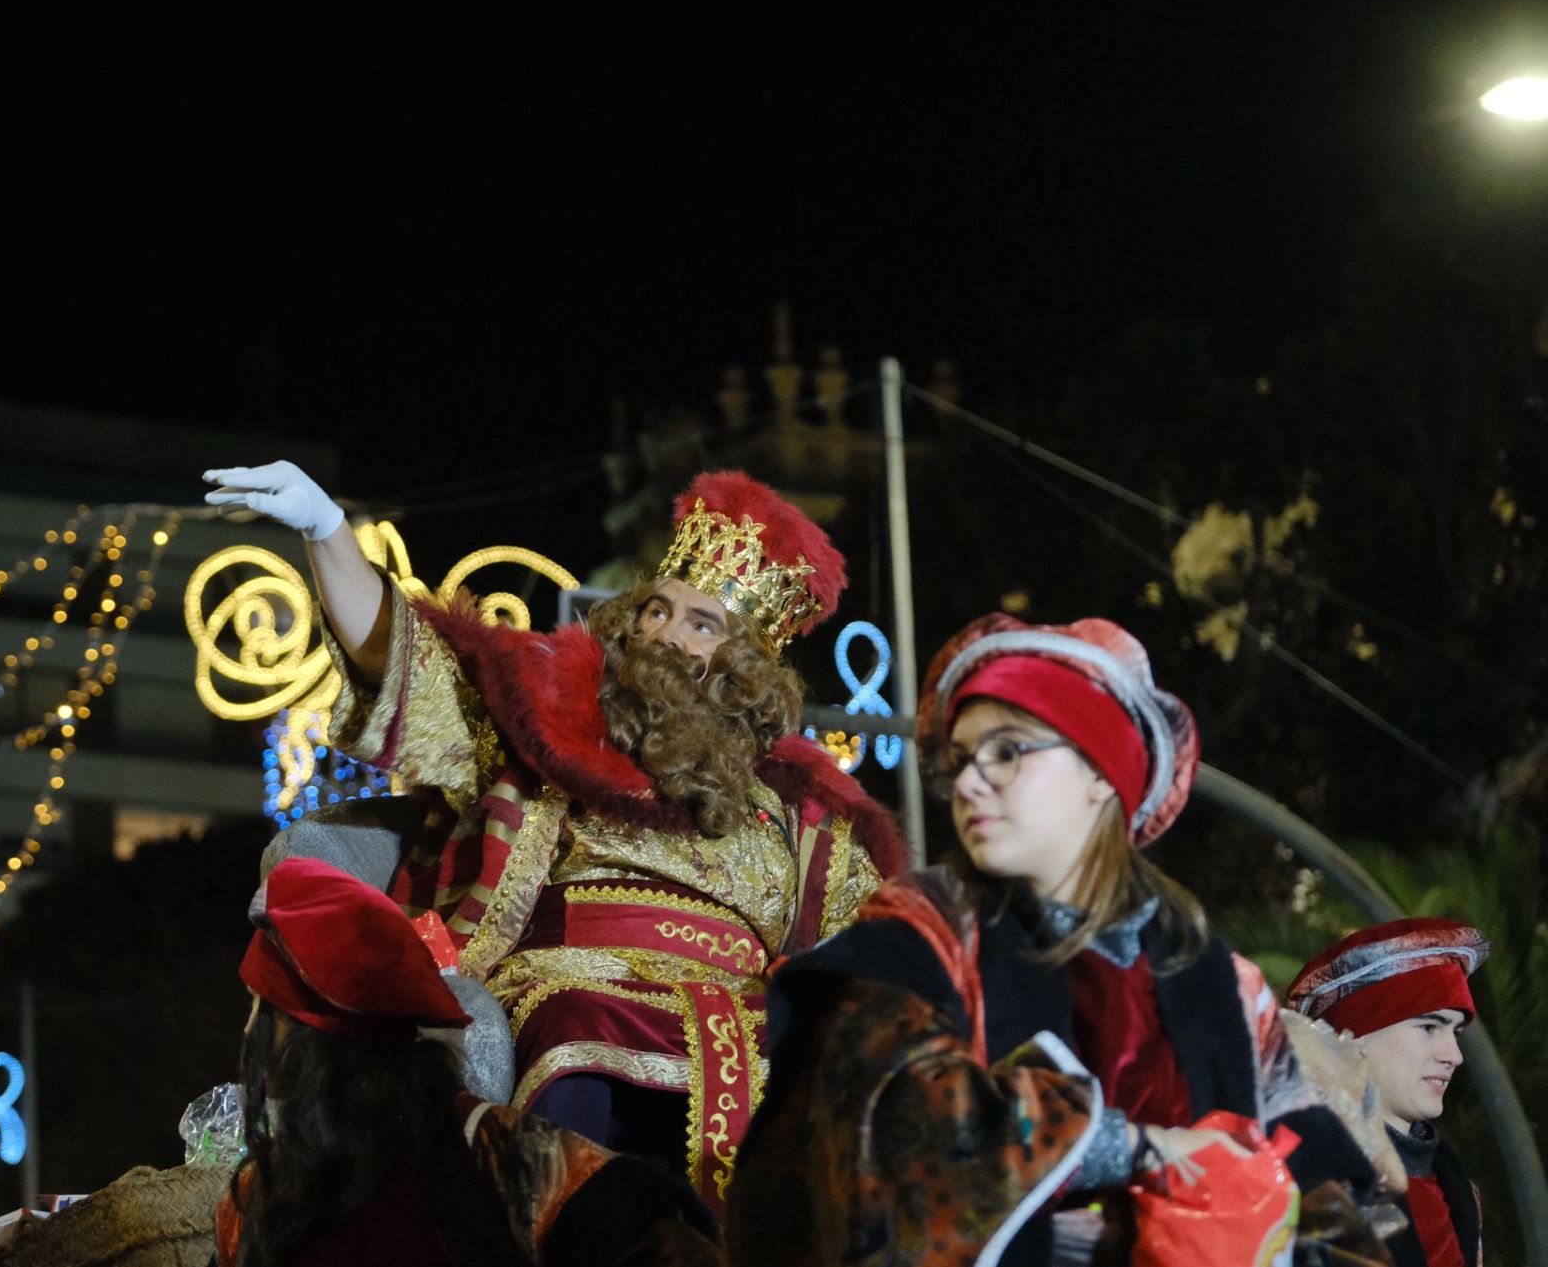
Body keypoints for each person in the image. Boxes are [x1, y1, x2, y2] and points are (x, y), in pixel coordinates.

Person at [203, 462, 901, 1212]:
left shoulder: (804, 816)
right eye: (657, 610)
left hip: (737, 1016)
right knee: (580, 1017)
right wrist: (328, 531)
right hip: (568, 985)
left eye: (702, 625)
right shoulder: (542, 726)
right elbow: (408, 665)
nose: (665, 634)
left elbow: (877, 954)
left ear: (745, 671)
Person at [731, 613, 1379, 1263]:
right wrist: (1133, 1146)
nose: (968, 781)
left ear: (1102, 771)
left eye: (1008, 750)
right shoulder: (925, 932)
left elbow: (1313, 1186)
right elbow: (867, 1115)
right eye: (961, 759)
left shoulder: (1218, 979)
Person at [216, 856, 719, 1267]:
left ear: (316, 1039)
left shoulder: (496, 1155)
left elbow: (662, 1242)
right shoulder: (255, 1196)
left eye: (263, 1010)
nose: (247, 1032)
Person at [1287, 918, 1490, 1267]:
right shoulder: (1298, 1187)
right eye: (1429, 1027)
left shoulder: (1459, 1193)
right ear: (1354, 1038)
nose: (1454, 1056)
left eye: (1455, 1032)